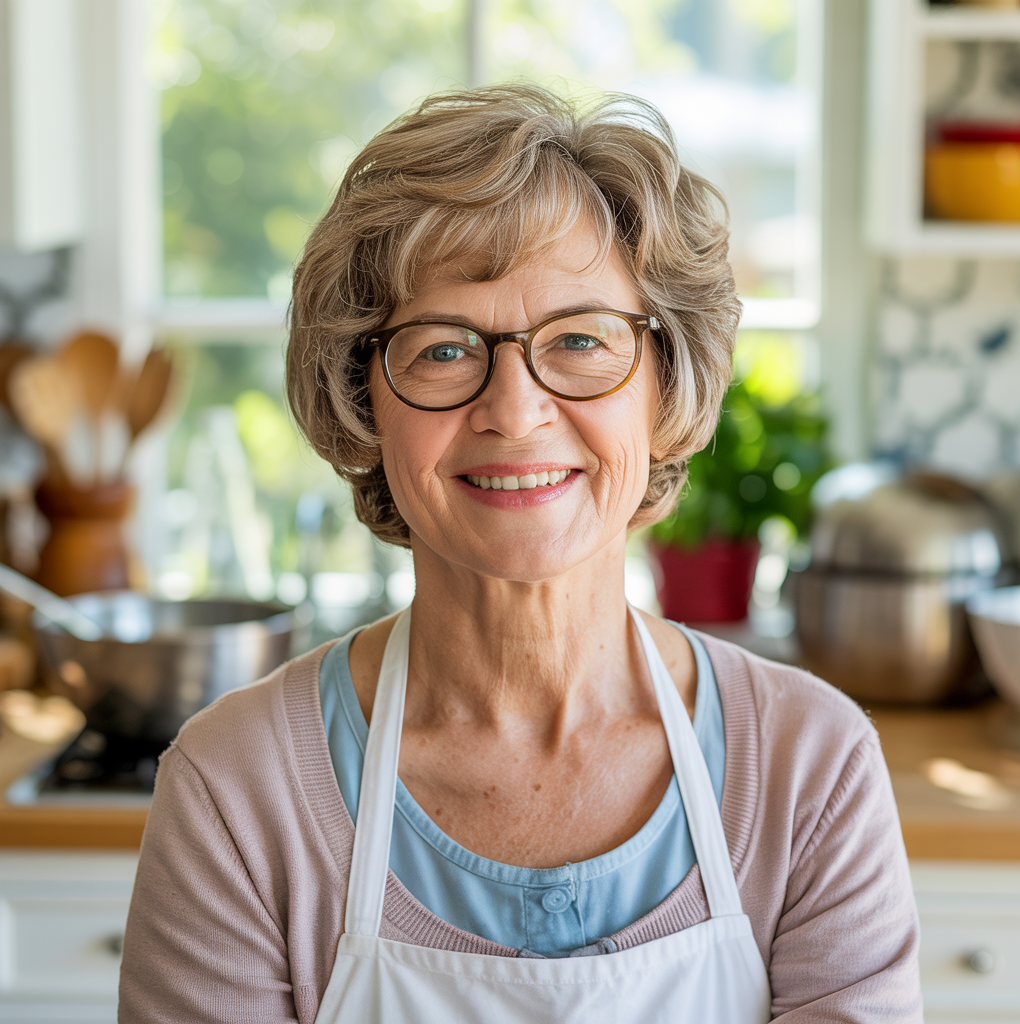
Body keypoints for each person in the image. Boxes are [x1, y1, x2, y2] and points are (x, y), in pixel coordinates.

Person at [119, 85, 922, 1023]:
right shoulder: (239, 791)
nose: (515, 409)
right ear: (362, 401)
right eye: (443, 350)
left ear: (664, 391)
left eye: (581, 340)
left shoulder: (810, 768)